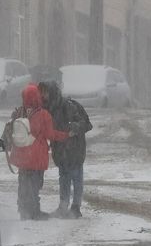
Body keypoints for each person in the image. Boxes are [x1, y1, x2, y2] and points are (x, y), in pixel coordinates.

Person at [9, 84, 71, 220]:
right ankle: (34, 211)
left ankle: (23, 210)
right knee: (35, 185)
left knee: (23, 183)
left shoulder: (19, 112)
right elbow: (50, 134)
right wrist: (65, 135)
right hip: (36, 156)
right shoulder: (43, 115)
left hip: (22, 156)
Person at [39, 81, 93, 218]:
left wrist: (73, 128)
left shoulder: (68, 106)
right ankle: (63, 206)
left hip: (74, 149)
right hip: (60, 149)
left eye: (45, 92)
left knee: (76, 177)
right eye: (41, 92)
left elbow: (86, 124)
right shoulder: (47, 108)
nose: (43, 95)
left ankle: (75, 207)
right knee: (63, 177)